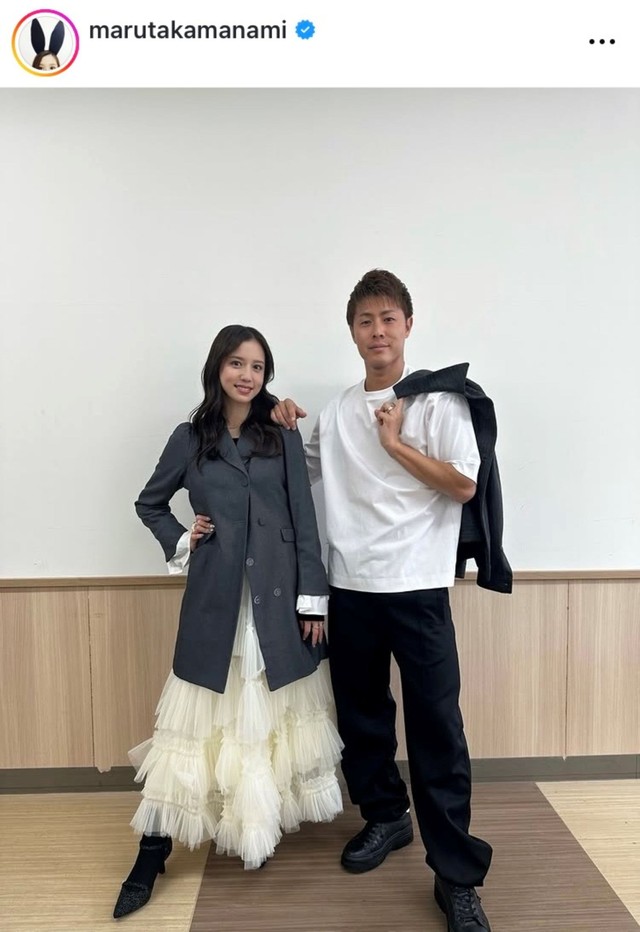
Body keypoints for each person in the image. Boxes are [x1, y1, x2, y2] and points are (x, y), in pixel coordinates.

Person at [272, 270, 494, 932]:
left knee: (436, 729)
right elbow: (294, 472)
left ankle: (455, 876)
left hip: (418, 587)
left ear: (408, 325)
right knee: (362, 717)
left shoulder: (438, 404)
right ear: (352, 332)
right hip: (350, 586)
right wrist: (275, 420)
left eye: (388, 318)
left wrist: (394, 444)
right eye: (365, 321)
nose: (378, 331)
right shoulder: (339, 411)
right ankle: (386, 817)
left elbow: (463, 484)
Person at [113, 324, 343, 920]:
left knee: (262, 728)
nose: (247, 375)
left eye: (258, 367)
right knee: (190, 728)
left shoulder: (281, 434)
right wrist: (183, 537)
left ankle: (251, 830)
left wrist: (312, 599)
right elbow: (149, 503)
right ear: (217, 368)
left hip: (277, 602)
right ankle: (152, 852)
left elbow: (304, 518)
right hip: (216, 602)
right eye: (237, 363)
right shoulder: (189, 438)